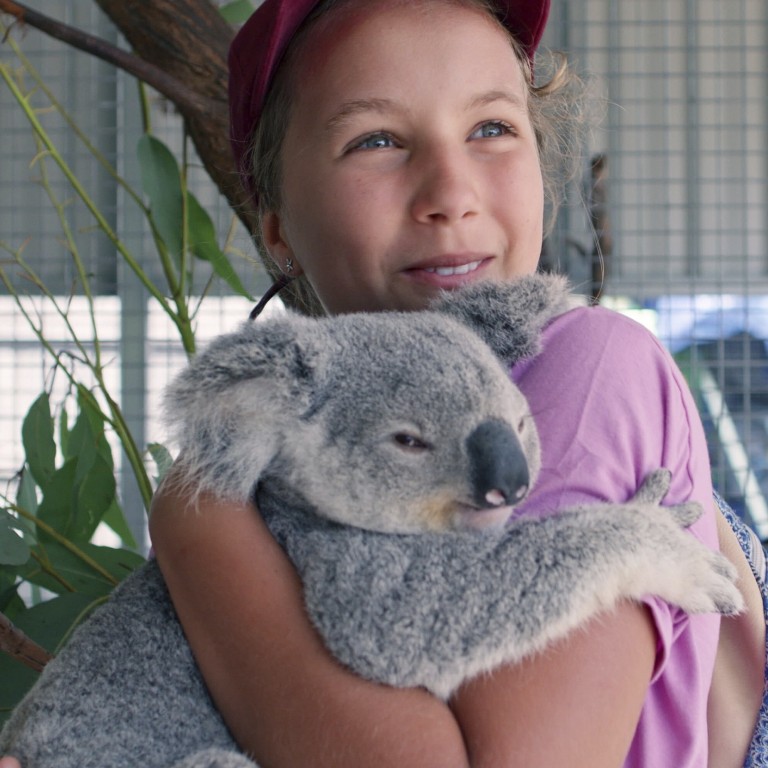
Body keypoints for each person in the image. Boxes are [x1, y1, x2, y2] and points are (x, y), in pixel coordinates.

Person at [2, 0, 763, 766]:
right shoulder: (265, 455)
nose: (449, 190)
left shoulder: (590, 364)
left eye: (492, 128)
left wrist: (205, 541)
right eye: (376, 140)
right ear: (273, 225)